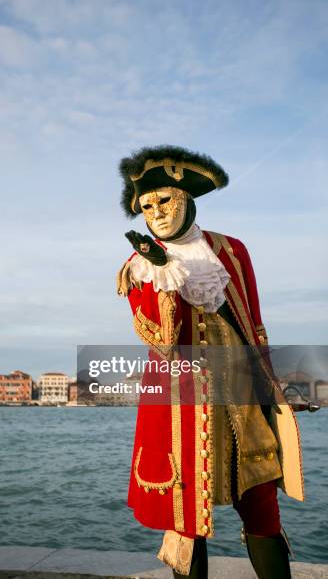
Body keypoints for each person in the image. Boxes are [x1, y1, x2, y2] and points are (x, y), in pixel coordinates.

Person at [116, 145, 304, 578]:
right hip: (179, 401)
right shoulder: (138, 268)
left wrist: (272, 386)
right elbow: (163, 343)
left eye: (165, 200)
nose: (156, 212)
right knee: (184, 515)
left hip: (241, 392)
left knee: (260, 503)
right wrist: (160, 275)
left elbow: (254, 323)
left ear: (188, 199)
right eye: (146, 205)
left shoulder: (231, 250)